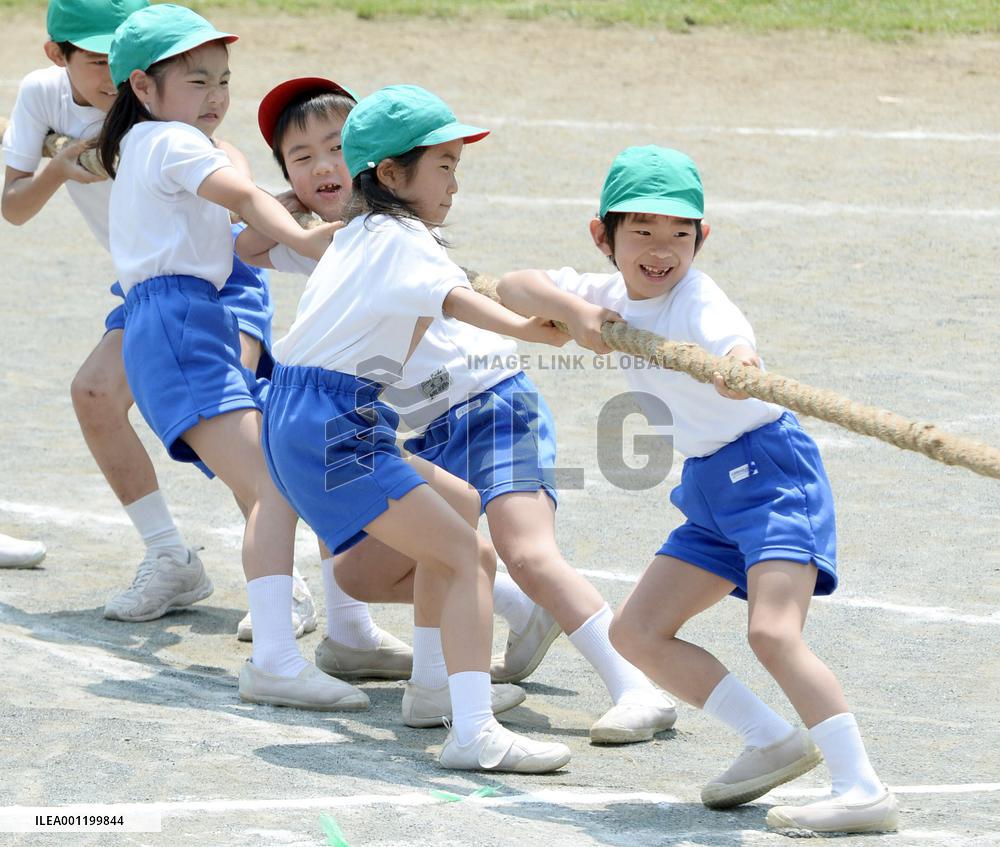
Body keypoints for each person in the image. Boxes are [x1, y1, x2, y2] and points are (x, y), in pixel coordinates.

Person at [497, 145, 898, 833]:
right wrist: (574, 311)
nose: (661, 250)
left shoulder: (700, 301)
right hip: (710, 484)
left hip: (771, 472)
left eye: (680, 234)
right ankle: (770, 737)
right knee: (637, 631)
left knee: (773, 632)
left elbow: (732, 345)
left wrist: (735, 367)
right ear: (603, 237)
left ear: (701, 239)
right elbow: (511, 285)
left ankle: (862, 785)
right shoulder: (608, 296)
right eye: (643, 233)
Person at [261, 83, 571, 772]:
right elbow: (457, 301)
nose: (455, 183)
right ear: (393, 176)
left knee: (460, 507)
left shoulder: (358, 232)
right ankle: (473, 731)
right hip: (331, 416)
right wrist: (531, 329)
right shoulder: (404, 235)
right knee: (465, 555)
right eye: (444, 166)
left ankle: (433, 689)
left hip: (304, 410)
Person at [0, 0, 317, 633]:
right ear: (57, 57)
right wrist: (62, 167)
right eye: (98, 61)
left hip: (220, 282)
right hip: (149, 290)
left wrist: (276, 220)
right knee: (94, 393)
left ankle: (288, 586)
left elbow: (233, 186)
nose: (114, 75)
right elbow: (13, 205)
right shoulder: (46, 96)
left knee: (234, 429)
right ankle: (171, 557)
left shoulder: (176, 123)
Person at [97, 3, 355, 710]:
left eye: (224, 80)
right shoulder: (168, 141)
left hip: (187, 320)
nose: (216, 97)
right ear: (144, 89)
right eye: (198, 80)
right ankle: (276, 658)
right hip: (179, 325)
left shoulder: (160, 151)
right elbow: (241, 197)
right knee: (278, 486)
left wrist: (299, 213)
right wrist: (305, 240)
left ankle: (340, 635)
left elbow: (235, 241)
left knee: (284, 476)